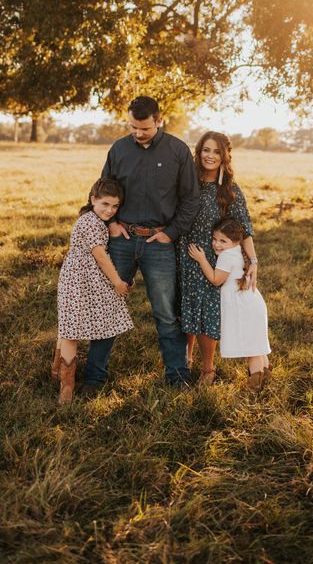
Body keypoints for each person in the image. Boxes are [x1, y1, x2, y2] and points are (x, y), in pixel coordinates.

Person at [83, 96, 200, 390]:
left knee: (165, 312)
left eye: (144, 128)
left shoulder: (177, 151)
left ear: (159, 121)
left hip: (159, 242)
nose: (137, 133)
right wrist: (110, 223)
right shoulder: (119, 149)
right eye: (133, 127)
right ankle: (94, 377)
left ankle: (177, 377)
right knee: (107, 304)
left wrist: (171, 233)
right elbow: (101, 189)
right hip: (122, 239)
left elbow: (190, 198)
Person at [177, 131, 258, 385]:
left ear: (224, 157)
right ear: (198, 152)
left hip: (211, 258)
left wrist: (253, 261)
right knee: (183, 308)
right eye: (206, 150)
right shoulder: (187, 183)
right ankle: (185, 359)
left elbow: (243, 228)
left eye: (216, 152)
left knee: (203, 313)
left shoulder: (229, 190)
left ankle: (208, 369)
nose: (210, 156)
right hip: (182, 253)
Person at [51, 178, 134, 405]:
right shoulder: (89, 222)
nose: (110, 210)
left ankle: (58, 370)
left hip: (91, 280)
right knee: (71, 329)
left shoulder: (97, 220)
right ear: (93, 200)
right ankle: (66, 385)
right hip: (79, 280)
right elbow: (100, 255)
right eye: (105, 204)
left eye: (115, 206)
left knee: (92, 319)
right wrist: (117, 281)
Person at [188, 217, 271, 390]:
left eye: (223, 241)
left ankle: (255, 387)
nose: (216, 244)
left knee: (252, 349)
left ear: (235, 241)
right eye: (214, 239)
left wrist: (201, 259)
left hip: (245, 307)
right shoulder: (237, 251)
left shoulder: (226, 256)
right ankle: (265, 377)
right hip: (253, 302)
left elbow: (216, 279)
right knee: (257, 344)